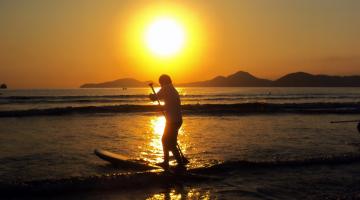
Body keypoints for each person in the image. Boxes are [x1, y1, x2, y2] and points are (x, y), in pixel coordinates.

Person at [149, 74, 187, 170]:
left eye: (160, 82)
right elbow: (170, 104)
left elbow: (155, 97)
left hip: (172, 121)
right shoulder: (173, 89)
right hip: (177, 120)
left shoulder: (166, 88)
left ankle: (178, 163)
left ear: (163, 81)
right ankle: (173, 162)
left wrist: (150, 95)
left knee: (168, 142)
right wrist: (164, 107)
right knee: (168, 141)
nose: (160, 84)